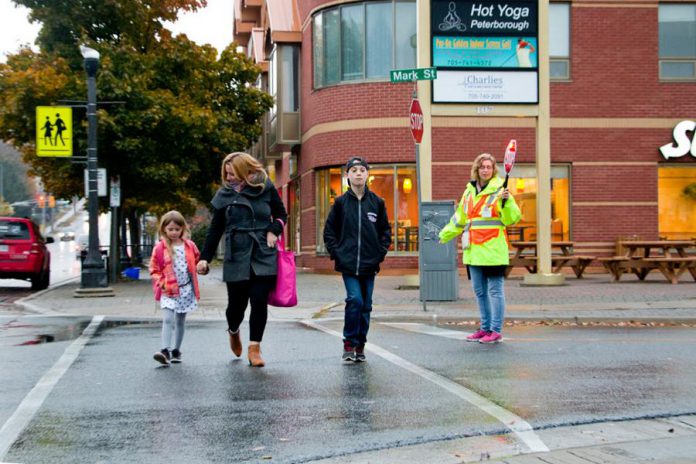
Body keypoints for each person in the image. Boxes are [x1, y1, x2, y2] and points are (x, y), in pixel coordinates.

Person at [196, 152, 287, 367]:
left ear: (246, 171)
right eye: (226, 174)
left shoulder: (265, 187)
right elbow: (215, 229)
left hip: (263, 251)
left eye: (232, 174)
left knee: (258, 300)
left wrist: (274, 229)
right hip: (236, 252)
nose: (228, 178)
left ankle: (254, 347)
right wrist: (204, 258)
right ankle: (233, 330)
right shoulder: (224, 195)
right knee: (236, 306)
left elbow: (282, 214)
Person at [439, 153, 521, 344]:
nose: (485, 170)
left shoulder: (501, 190)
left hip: (493, 251)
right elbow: (460, 219)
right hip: (473, 252)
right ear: (477, 169)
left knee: (495, 292)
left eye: (489, 167)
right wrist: (444, 234)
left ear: (494, 170)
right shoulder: (469, 191)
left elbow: (512, 218)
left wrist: (507, 202)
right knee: (480, 293)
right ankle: (484, 329)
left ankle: (495, 330)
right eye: (482, 167)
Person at [323, 157, 391, 363]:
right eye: (354, 170)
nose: (359, 173)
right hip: (349, 263)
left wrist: (379, 253)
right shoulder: (341, 203)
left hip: (370, 264)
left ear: (367, 174)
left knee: (366, 305)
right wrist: (338, 253)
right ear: (347, 176)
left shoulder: (377, 203)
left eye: (362, 170)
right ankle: (349, 342)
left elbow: (385, 232)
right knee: (355, 300)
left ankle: (360, 344)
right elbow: (329, 232)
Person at [149, 211, 201, 365]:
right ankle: (165, 350)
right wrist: (162, 282)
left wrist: (202, 267)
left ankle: (176, 350)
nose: (173, 232)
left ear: (182, 229)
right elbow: (154, 269)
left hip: (185, 290)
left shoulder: (189, 246)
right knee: (167, 319)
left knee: (180, 321)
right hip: (168, 290)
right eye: (170, 229)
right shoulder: (159, 248)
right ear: (164, 229)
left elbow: (197, 262)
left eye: (177, 229)